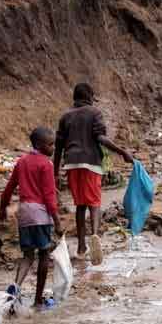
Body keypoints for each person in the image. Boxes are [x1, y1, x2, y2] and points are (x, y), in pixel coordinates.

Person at [54, 83, 133, 265]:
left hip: (71, 163)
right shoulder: (94, 113)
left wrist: (55, 172)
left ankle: (82, 246)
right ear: (89, 96)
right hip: (91, 162)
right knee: (94, 203)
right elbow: (101, 138)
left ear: (74, 97)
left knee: (80, 205)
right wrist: (122, 152)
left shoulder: (65, 116)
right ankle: (95, 235)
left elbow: (58, 147)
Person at [0, 127, 63, 308]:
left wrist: (2, 207)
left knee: (27, 256)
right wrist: (57, 221)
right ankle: (37, 300)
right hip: (41, 214)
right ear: (41, 145)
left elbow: (9, 187)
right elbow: (49, 196)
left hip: (24, 212)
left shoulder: (22, 161)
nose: (53, 148)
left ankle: (15, 290)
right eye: (51, 145)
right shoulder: (46, 164)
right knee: (44, 254)